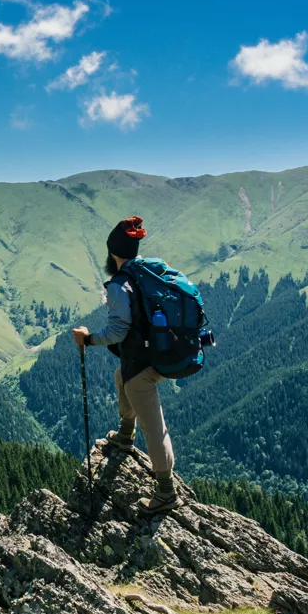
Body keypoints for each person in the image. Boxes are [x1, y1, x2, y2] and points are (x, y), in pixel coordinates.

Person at [72, 216, 179, 514]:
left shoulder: (121, 285)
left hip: (144, 365)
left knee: (154, 426)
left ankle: (166, 491)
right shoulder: (146, 271)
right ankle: (125, 434)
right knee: (122, 377)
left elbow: (118, 331)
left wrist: (88, 339)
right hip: (158, 352)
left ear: (112, 253)